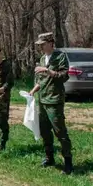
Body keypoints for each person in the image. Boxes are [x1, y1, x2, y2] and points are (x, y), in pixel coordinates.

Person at [29, 32, 73, 174]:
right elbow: (41, 81)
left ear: (50, 43)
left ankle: (68, 162)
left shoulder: (60, 57)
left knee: (60, 131)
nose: (41, 47)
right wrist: (33, 91)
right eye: (39, 45)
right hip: (42, 99)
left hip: (54, 100)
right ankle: (49, 157)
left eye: (43, 44)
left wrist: (48, 70)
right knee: (44, 131)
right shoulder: (42, 58)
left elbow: (64, 76)